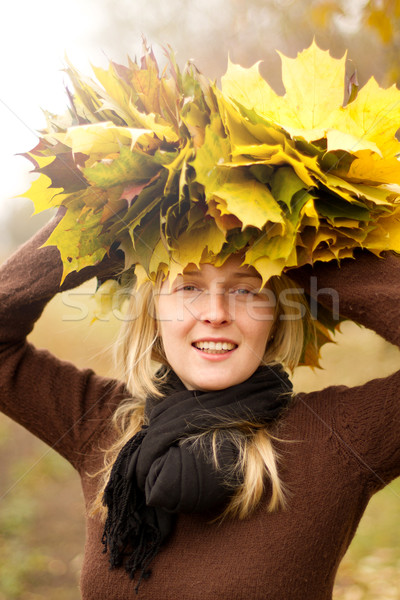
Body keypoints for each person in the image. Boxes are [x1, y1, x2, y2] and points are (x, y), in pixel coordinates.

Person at [0, 208, 399, 600]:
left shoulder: (340, 439)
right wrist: (97, 224)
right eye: (188, 287)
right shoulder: (100, 422)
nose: (215, 314)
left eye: (246, 289)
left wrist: (316, 248)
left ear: (276, 313)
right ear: (153, 310)